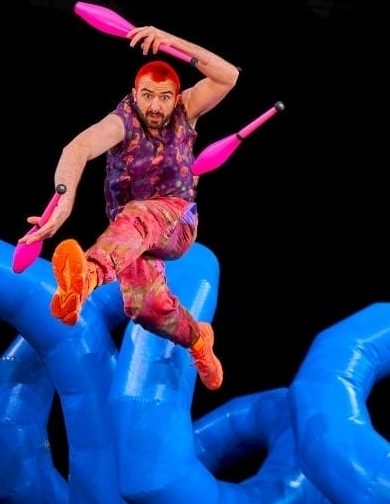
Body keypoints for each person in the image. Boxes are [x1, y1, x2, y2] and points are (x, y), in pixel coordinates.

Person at [18, 24, 240, 390]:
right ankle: (200, 340)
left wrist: (171, 42)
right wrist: (64, 196)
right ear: (134, 94)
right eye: (147, 96)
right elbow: (78, 148)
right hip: (130, 236)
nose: (155, 106)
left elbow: (229, 75)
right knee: (145, 308)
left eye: (164, 97)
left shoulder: (187, 110)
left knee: (139, 211)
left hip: (176, 221)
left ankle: (86, 277)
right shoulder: (123, 121)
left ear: (175, 97)